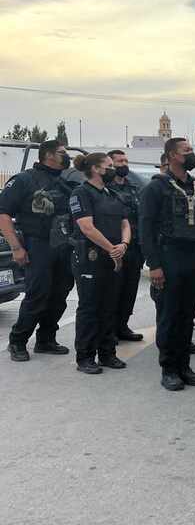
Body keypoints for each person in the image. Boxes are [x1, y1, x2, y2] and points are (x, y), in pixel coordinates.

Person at [140, 137, 195, 391]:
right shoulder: (156, 188)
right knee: (170, 317)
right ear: (171, 156)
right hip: (169, 257)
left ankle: (185, 366)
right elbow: (145, 229)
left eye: (192, 150)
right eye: (186, 151)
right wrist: (155, 265)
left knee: (187, 315)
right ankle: (169, 368)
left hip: (194, 257)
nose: (191, 155)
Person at [0, 139, 75, 362]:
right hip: (37, 244)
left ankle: (46, 339)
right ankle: (18, 341)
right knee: (38, 294)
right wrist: (16, 247)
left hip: (62, 245)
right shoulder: (24, 180)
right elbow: (3, 214)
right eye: (63, 152)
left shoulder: (63, 181)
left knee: (60, 294)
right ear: (49, 155)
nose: (66, 155)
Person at [68, 153, 131, 374]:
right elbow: (86, 227)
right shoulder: (81, 193)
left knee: (109, 307)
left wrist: (123, 243)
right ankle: (85, 357)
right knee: (90, 308)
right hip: (90, 258)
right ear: (96, 169)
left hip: (113, 257)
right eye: (109, 166)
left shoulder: (113, 194)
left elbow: (125, 222)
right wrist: (111, 248)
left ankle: (107, 353)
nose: (113, 169)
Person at [107, 149, 145, 342]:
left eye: (126, 160)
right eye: (119, 161)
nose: (124, 164)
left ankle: (122, 326)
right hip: (115, 246)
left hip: (135, 247)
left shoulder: (133, 187)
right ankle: (110, 330)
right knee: (113, 290)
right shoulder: (105, 189)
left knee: (130, 290)